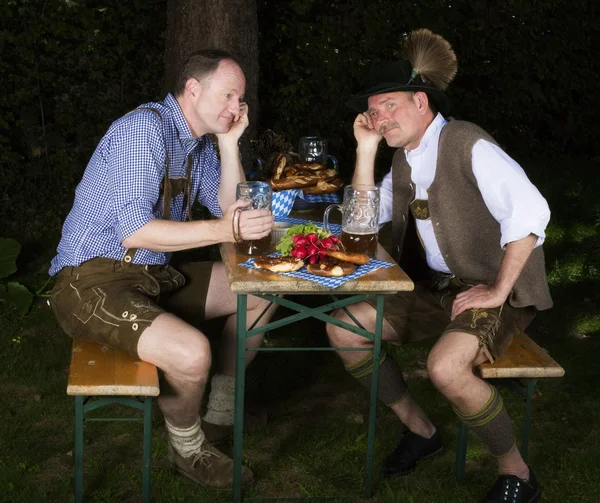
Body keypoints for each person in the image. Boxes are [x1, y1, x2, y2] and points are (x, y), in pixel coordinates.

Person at [327, 29, 551, 503]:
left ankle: (517, 473)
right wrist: (366, 150)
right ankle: (421, 429)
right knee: (345, 328)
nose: (378, 116)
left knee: (446, 369)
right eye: (373, 108)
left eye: (389, 105)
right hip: (438, 289)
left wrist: (496, 290)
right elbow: (361, 223)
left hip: (496, 289)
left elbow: (531, 213)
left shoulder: (467, 142)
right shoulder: (406, 159)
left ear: (422, 103)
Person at [49, 49, 276, 489]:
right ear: (193, 89)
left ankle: (220, 417)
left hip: (151, 276)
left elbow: (230, 208)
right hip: (92, 280)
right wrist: (225, 228)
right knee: (192, 354)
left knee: (259, 292)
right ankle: (188, 450)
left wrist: (229, 145)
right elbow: (134, 230)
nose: (237, 107)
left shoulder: (197, 143)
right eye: (229, 95)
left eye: (241, 99)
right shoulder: (144, 129)